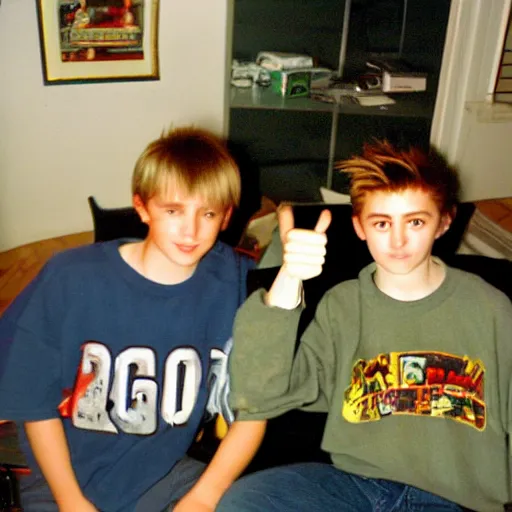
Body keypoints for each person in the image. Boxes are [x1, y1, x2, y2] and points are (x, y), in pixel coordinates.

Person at [217, 141, 512, 512]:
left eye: (416, 221)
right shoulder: (342, 306)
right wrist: (288, 279)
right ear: (359, 227)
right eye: (382, 223)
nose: (398, 240)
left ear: (444, 222)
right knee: (247, 501)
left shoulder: (490, 309)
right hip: (355, 487)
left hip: (452, 498)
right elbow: (263, 395)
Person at [0, 126, 266, 512]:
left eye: (207, 213)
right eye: (172, 211)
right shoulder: (70, 277)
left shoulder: (239, 282)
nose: (190, 230)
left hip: (162, 474)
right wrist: (71, 501)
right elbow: (31, 404)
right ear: (141, 207)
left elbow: (258, 408)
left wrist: (204, 499)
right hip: (66, 480)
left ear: (226, 217)